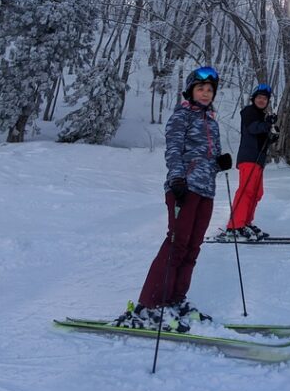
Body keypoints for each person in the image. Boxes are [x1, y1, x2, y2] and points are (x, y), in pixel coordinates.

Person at [113, 66, 233, 332]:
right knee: (177, 244)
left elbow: (206, 158)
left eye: (209, 90)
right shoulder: (182, 116)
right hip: (184, 187)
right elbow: (174, 151)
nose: (205, 93)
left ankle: (176, 300)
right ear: (190, 91)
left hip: (206, 190)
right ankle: (151, 305)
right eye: (200, 88)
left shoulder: (212, 122)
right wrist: (177, 178)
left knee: (192, 247)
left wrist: (219, 163)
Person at [223, 84, 279, 241]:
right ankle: (235, 226)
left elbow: (261, 139)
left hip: (258, 160)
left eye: (265, 99)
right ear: (254, 99)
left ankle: (245, 222)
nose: (262, 100)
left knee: (257, 193)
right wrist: (267, 124)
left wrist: (273, 136)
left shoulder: (262, 116)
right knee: (246, 191)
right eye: (259, 97)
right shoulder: (249, 112)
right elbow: (253, 129)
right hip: (248, 158)